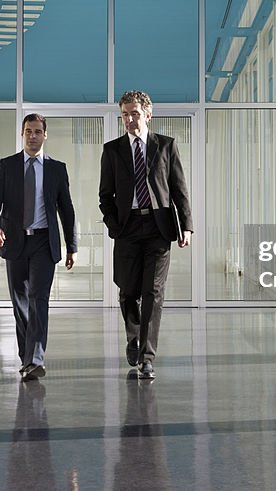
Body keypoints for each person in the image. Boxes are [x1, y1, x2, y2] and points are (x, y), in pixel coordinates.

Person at [99, 90, 192, 379]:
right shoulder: (112, 150)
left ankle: (147, 356)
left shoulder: (166, 146)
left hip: (158, 228)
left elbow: (178, 188)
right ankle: (134, 338)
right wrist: (115, 226)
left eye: (134, 113)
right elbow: (105, 196)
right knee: (128, 291)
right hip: (127, 229)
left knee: (153, 292)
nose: (128, 118)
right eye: (125, 113)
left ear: (148, 115)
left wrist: (186, 225)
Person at [0, 113, 77, 380]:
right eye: (28, 131)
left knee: (39, 299)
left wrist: (72, 245)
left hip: (43, 242)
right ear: (22, 134)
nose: (33, 136)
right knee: (20, 302)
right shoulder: (7, 166)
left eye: (38, 131)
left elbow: (66, 209)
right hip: (14, 241)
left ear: (45, 135)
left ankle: (36, 359)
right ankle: (27, 357)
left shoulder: (56, 169)